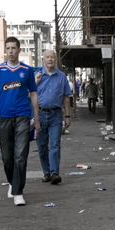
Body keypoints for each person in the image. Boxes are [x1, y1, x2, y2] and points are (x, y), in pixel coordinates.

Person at [0, 36, 39, 206]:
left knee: (20, 155)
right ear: (6, 50)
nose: (11, 51)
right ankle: (13, 183)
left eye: (14, 48)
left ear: (19, 50)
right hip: (4, 118)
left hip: (22, 117)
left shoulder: (27, 70)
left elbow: (33, 94)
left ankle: (18, 192)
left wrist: (37, 117)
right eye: (8, 48)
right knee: (6, 157)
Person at [34, 50, 72, 185]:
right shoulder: (36, 76)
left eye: (52, 57)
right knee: (42, 146)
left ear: (55, 60)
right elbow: (29, 95)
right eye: (47, 57)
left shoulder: (61, 77)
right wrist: (35, 83)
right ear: (43, 59)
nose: (50, 60)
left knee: (55, 144)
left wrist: (67, 116)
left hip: (56, 114)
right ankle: (47, 173)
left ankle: (55, 173)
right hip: (40, 115)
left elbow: (66, 97)